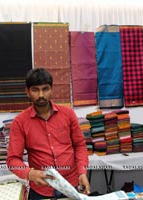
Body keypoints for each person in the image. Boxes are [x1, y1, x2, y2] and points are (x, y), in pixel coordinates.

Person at [7, 68, 90, 200]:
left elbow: (80, 145)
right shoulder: (20, 122)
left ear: (51, 89)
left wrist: (82, 172)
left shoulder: (68, 114)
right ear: (27, 92)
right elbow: (12, 160)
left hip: (72, 185)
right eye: (35, 90)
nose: (41, 95)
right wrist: (30, 174)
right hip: (41, 190)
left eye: (45, 89)